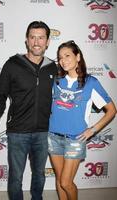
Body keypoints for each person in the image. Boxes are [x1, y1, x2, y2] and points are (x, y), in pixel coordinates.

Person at [0, 21, 57, 200]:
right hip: (18, 132)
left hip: (43, 132)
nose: (36, 42)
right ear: (26, 40)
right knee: (16, 178)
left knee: (40, 175)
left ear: (48, 41)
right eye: (33, 37)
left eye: (41, 37)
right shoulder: (12, 64)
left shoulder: (53, 67)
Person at [48, 40, 117, 200]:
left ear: (78, 57)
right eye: (60, 57)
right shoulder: (56, 80)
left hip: (75, 139)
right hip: (53, 136)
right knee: (59, 180)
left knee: (66, 182)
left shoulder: (90, 82)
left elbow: (111, 110)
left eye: (67, 56)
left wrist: (92, 130)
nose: (63, 61)